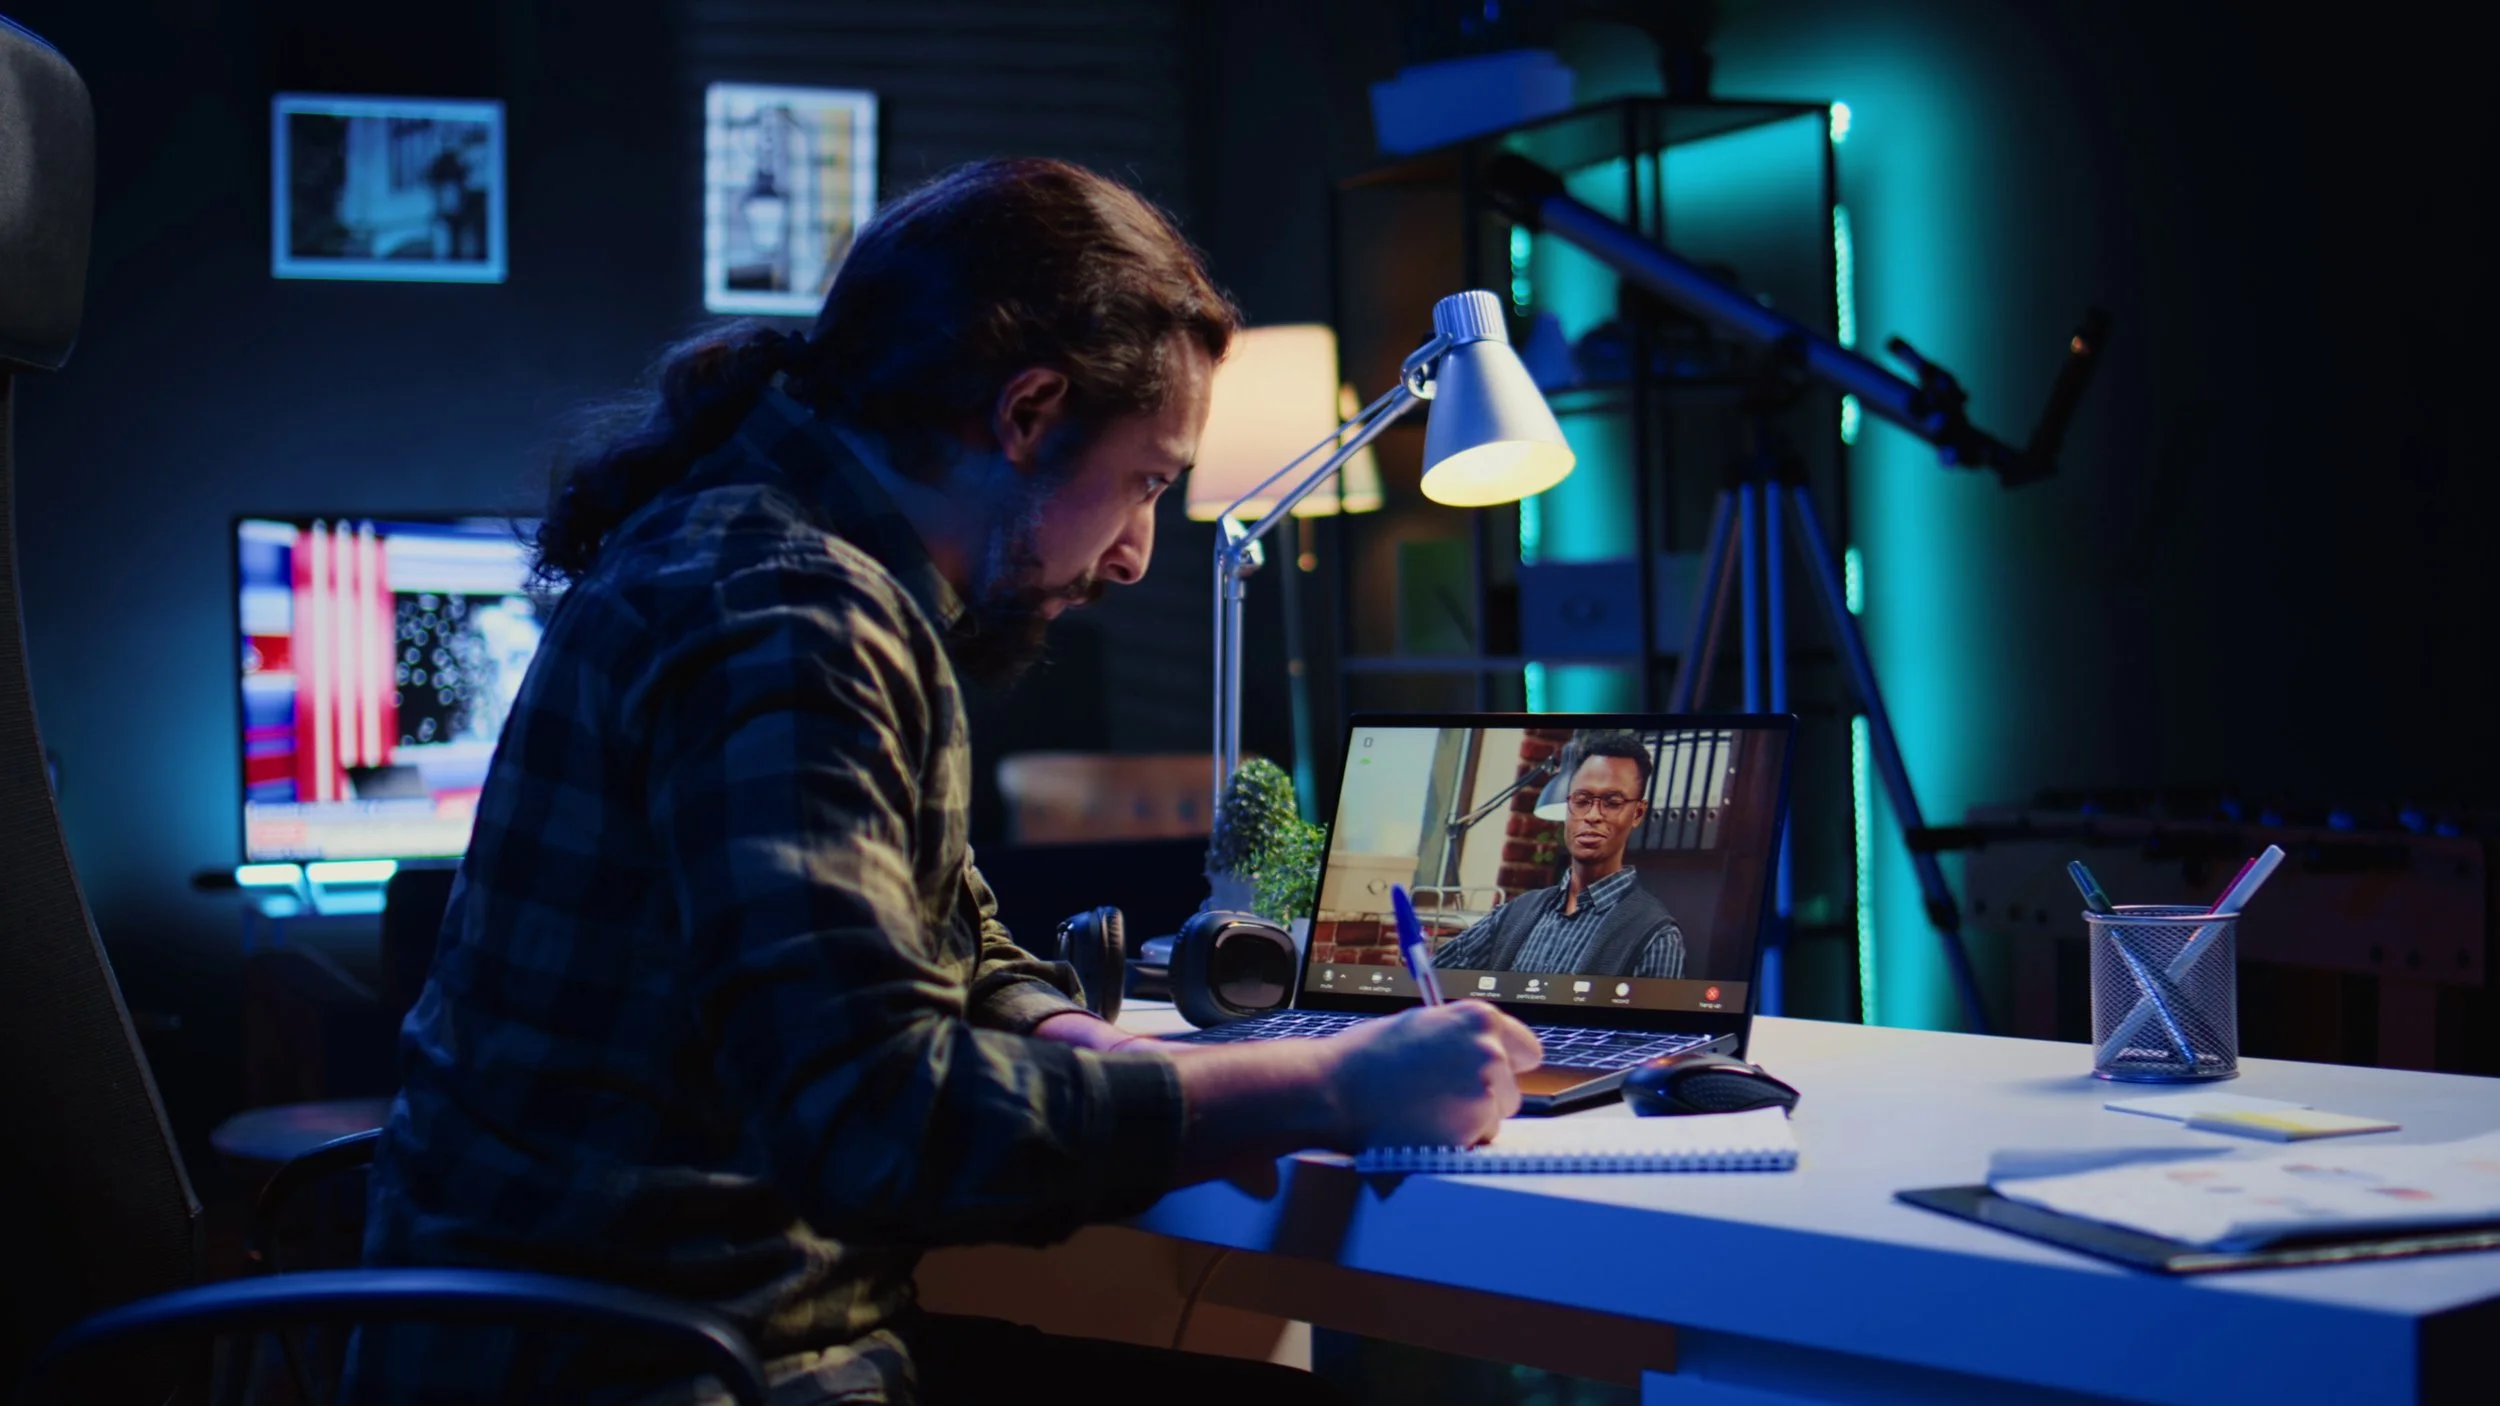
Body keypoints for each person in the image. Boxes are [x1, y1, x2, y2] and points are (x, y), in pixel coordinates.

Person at [348, 159, 1541, 1405]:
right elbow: (879, 1124)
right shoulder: (791, 617)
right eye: (1142, 480)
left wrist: (1075, 1035)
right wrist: (1334, 1084)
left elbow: (944, 929)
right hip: (652, 1366)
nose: (1136, 554)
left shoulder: (774, 555)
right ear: (1026, 413)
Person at [1429, 733, 1687, 979]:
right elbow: (1430, 979)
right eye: (1582, 800)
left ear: (1638, 814)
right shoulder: (1517, 913)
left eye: (1612, 802)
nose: (1593, 815)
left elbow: (1653, 1026)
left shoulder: (1656, 936)